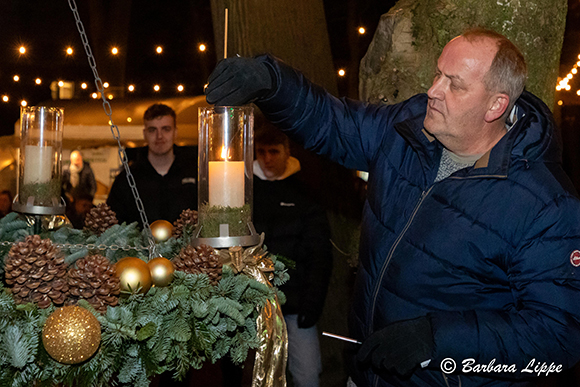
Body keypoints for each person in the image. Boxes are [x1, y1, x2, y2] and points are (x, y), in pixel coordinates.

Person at [205, 28, 580, 386]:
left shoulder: (546, 206)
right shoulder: (410, 128)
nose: (434, 90)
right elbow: (336, 122)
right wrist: (272, 82)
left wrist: (436, 339)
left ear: (496, 105)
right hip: (368, 373)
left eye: (455, 84)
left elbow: (559, 335)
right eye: (438, 74)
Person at [253, 121, 332, 387]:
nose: (267, 159)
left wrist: (312, 303)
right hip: (253, 303)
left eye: (273, 151)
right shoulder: (245, 189)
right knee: (261, 378)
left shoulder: (304, 191)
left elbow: (319, 253)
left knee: (307, 374)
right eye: (261, 152)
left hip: (297, 305)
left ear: (287, 151)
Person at [107, 103, 197, 227]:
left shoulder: (195, 173)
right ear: (144, 134)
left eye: (166, 129)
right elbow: (113, 227)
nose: (159, 136)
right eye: (152, 130)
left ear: (175, 132)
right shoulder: (127, 179)